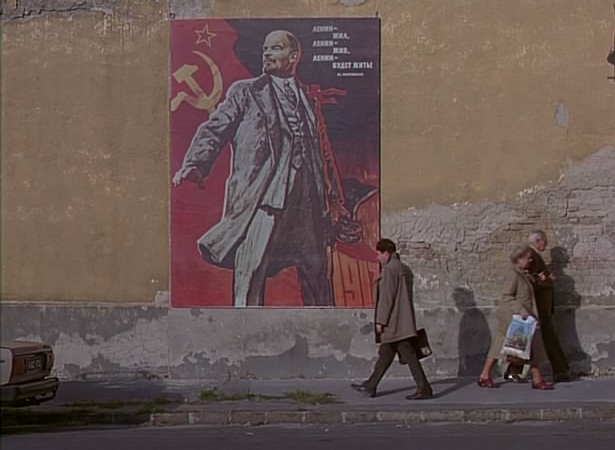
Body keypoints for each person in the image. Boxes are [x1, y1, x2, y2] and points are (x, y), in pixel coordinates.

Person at [172, 30, 349, 307]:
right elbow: (215, 128)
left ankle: (323, 326)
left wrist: (335, 200)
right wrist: (196, 163)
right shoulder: (245, 92)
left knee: (317, 278)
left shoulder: (309, 99)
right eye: (265, 48)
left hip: (309, 205)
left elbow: (324, 154)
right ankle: (243, 326)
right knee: (251, 271)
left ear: (293, 56)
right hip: (264, 199)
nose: (267, 53)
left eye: (275, 48)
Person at [351, 239, 435, 400]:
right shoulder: (404, 268)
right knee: (386, 354)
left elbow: (387, 298)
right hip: (402, 321)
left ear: (386, 253)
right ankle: (370, 385)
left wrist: (381, 321)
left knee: (408, 355)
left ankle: (424, 388)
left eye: (378, 254)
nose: (377, 257)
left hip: (393, 322)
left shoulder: (390, 270)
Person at [477, 245, 554, 390]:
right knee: (509, 347)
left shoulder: (522, 274)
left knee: (520, 347)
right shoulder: (513, 275)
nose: (530, 260)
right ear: (519, 259)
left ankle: (485, 376)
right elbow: (506, 296)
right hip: (515, 318)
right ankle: (536, 379)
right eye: (528, 258)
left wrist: (539, 280)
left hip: (522, 318)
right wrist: (521, 309)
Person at [504, 230, 572, 382]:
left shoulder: (533, 257)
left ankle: (514, 369)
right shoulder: (532, 257)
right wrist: (547, 281)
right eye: (544, 241)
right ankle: (560, 370)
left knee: (530, 338)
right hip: (538, 306)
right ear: (538, 241)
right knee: (546, 338)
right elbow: (529, 281)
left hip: (540, 306)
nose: (545, 244)